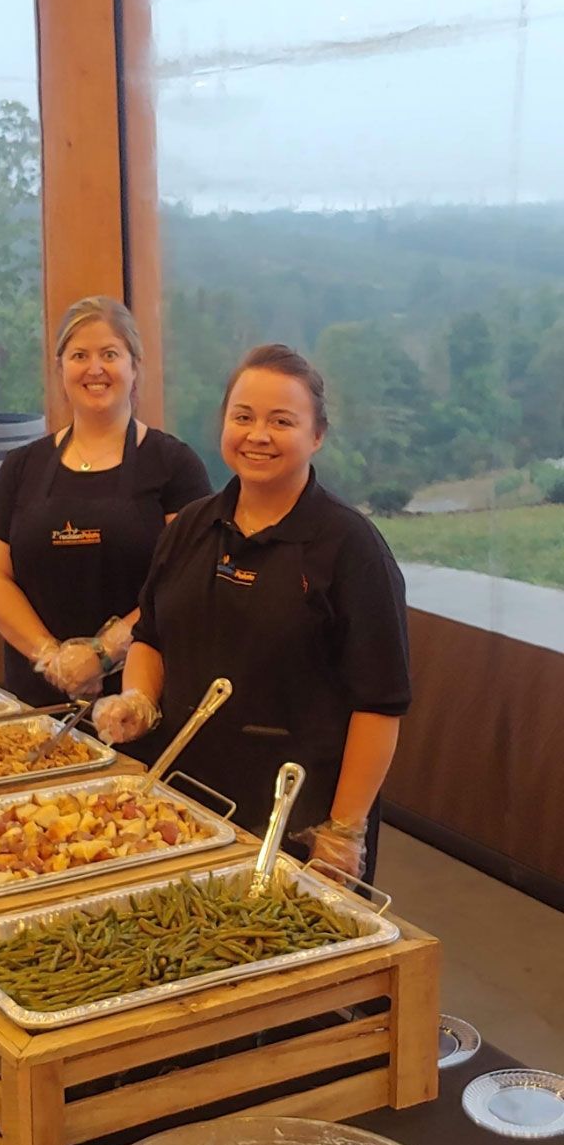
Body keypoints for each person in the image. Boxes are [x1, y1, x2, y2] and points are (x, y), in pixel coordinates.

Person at [93, 344, 410, 882]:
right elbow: (151, 635)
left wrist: (343, 829)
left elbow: (379, 704)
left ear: (317, 436)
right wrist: (139, 699)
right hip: (183, 803)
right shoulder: (190, 527)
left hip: (297, 817)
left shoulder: (350, 548)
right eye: (243, 417)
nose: (257, 435)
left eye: (281, 421)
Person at [0, 296, 211, 707]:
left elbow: (187, 582)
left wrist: (102, 655)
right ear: (60, 368)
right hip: (36, 703)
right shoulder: (21, 466)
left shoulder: (174, 464)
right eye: (79, 355)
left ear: (134, 366)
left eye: (110, 354)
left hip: (140, 702)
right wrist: (52, 658)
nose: (95, 368)